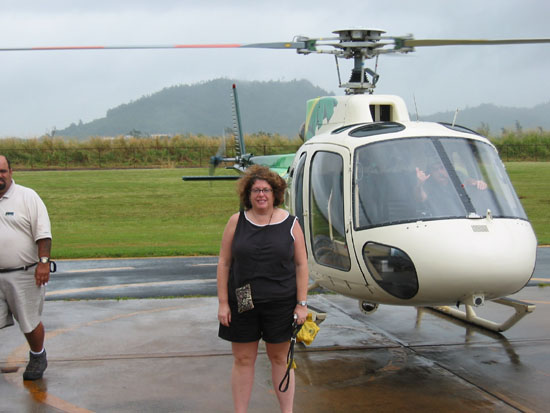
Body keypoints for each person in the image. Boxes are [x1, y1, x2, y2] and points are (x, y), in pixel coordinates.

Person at [217, 165, 309, 413]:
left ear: (275, 193)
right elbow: (225, 263)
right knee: (243, 359)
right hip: (243, 300)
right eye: (256, 190)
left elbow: (301, 264)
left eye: (266, 190)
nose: (261, 195)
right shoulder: (236, 222)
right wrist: (223, 303)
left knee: (280, 359)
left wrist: (302, 303)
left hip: (281, 303)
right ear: (248, 194)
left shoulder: (291, 223)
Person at [0, 155, 52, 380]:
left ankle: (38, 355)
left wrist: (43, 263)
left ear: (11, 171)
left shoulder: (27, 197)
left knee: (29, 321)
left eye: (2, 171)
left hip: (24, 273)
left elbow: (43, 233)